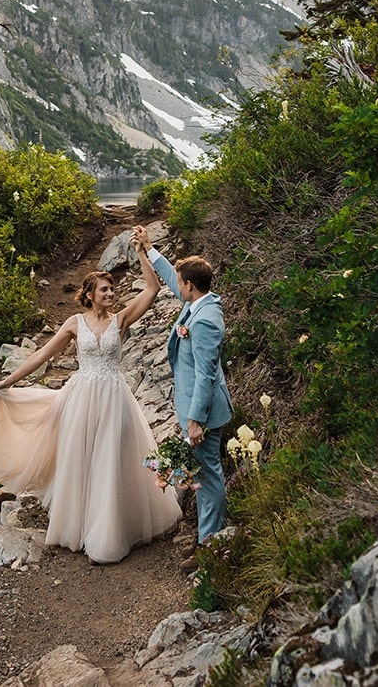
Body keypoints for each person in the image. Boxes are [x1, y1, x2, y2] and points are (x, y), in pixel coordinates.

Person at [0, 242, 180, 565]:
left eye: (112, 289)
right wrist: (6, 382)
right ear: (90, 294)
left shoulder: (120, 320)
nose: (111, 293)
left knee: (111, 460)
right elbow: (41, 355)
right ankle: (80, 527)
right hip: (81, 398)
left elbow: (152, 288)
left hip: (114, 398)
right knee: (83, 461)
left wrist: (141, 250)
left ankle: (110, 535)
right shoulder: (73, 324)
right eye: (105, 289)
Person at [134, 225, 231, 566]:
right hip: (193, 407)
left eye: (180, 283)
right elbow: (173, 280)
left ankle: (211, 547)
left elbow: (205, 374)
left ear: (190, 285)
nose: (177, 287)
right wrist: (149, 248)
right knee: (202, 475)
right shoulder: (199, 302)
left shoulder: (205, 320)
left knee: (209, 476)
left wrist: (194, 420)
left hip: (202, 412)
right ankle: (207, 537)